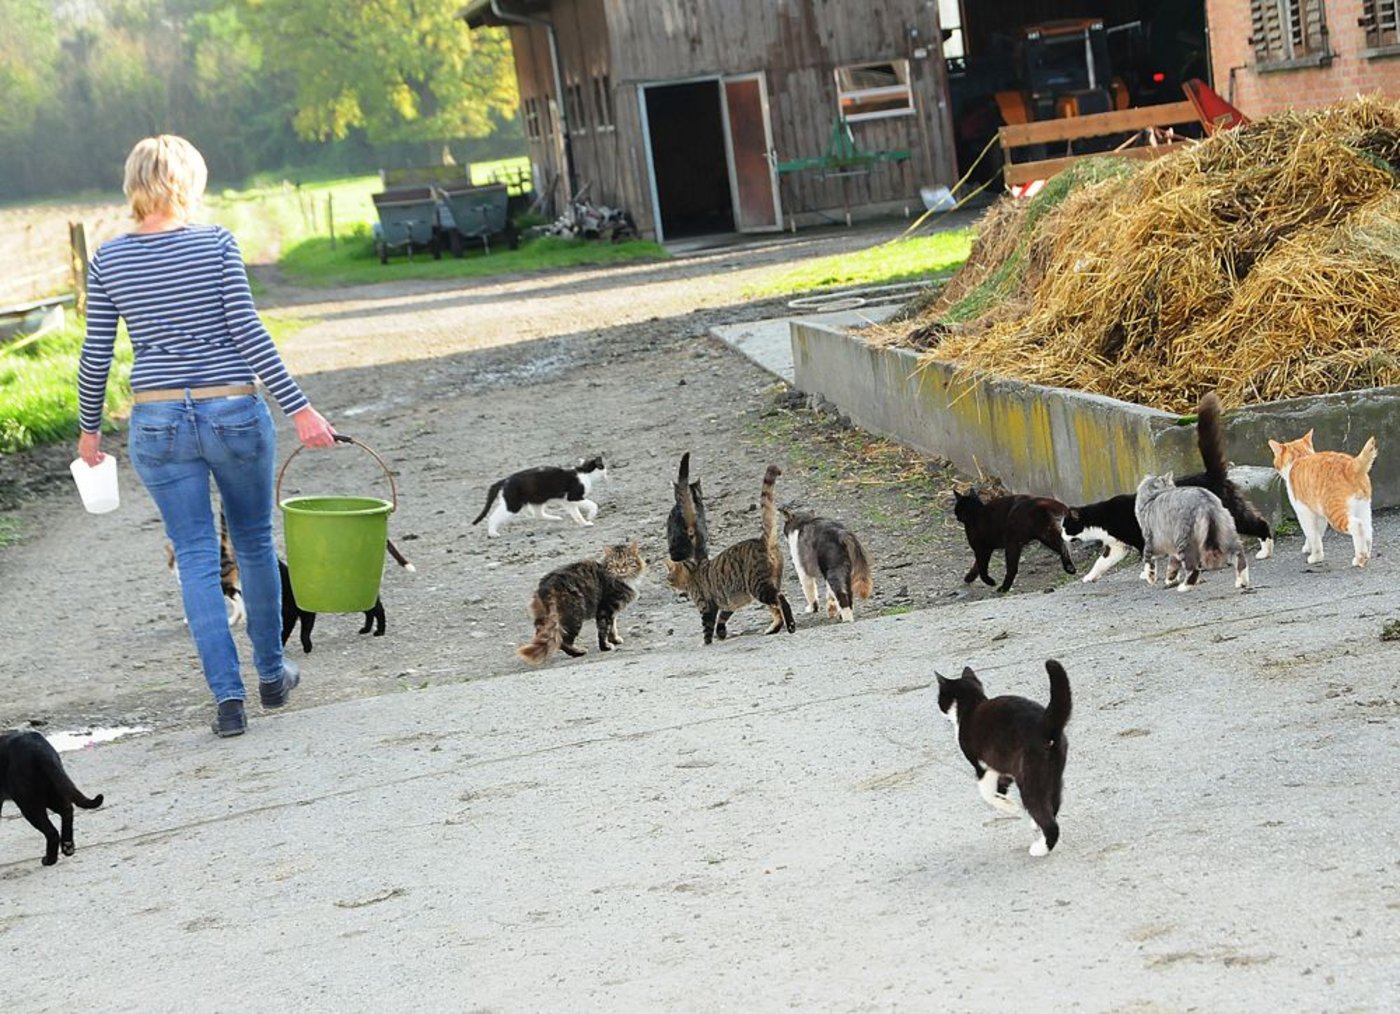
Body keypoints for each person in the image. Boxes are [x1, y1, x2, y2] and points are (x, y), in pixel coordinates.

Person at [76, 135, 337, 738]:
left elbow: (96, 355)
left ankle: (227, 700)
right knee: (251, 541)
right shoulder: (215, 242)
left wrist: (90, 431)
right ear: (187, 182)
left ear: (133, 183)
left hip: (158, 420)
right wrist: (300, 410)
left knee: (194, 554)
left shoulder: (108, 259)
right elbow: (248, 330)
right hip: (233, 413)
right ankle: (272, 675)